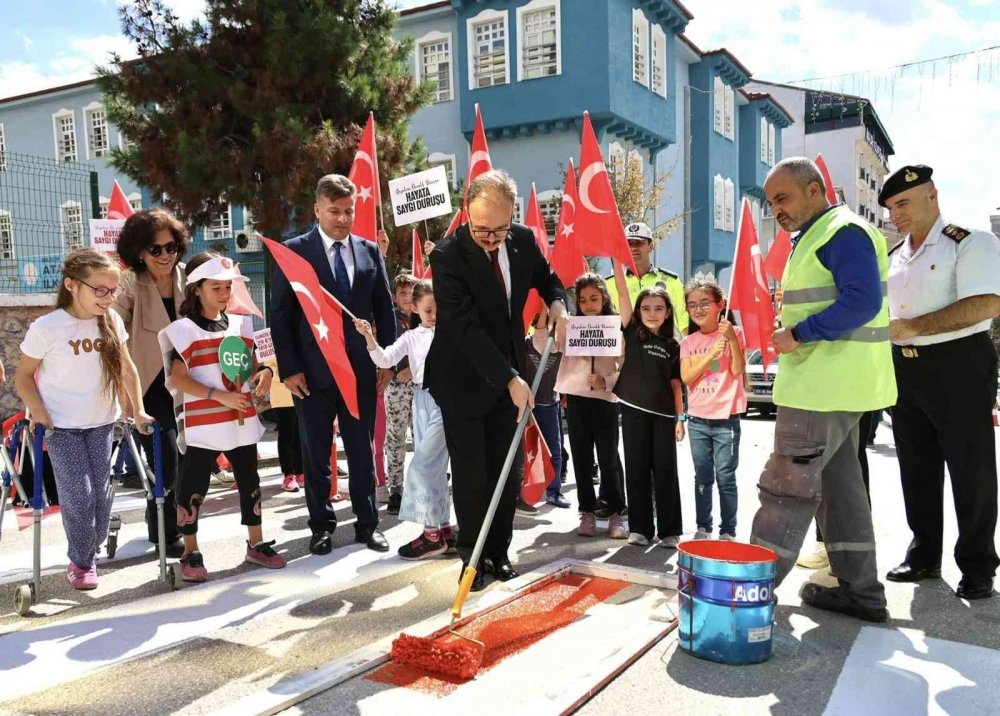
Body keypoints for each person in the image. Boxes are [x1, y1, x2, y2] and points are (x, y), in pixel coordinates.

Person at [749, 157, 895, 623]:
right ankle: (862, 593)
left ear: (814, 190)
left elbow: (861, 300)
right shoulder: (825, 233)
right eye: (772, 203)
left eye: (783, 198)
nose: (777, 211)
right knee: (841, 490)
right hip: (841, 385)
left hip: (819, 387)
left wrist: (798, 334)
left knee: (786, 486)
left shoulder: (839, 231)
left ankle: (750, 590)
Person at [424, 168, 567, 592]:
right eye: (481, 229)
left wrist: (557, 302)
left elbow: (548, 278)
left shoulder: (521, 240)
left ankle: (500, 553)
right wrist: (508, 378)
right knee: (473, 475)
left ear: (513, 217)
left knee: (507, 472)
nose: (491, 238)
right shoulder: (448, 256)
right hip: (463, 377)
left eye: (499, 229)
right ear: (467, 214)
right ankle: (473, 558)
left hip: (510, 374)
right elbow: (464, 328)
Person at [880, 164, 1000, 600]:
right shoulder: (897, 255)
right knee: (916, 466)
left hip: (958, 365)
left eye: (904, 203)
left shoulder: (969, 242)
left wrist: (911, 328)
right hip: (906, 369)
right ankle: (924, 554)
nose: (896, 214)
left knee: (971, 469)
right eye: (891, 207)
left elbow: (986, 304)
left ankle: (978, 564)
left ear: (933, 195)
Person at [270, 174, 396, 555]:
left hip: (360, 371)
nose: (342, 219)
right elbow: (281, 316)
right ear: (317, 210)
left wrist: (387, 360)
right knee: (316, 453)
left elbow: (385, 310)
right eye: (334, 211)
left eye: (349, 211)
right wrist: (289, 368)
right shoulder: (293, 253)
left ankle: (368, 524)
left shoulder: (369, 251)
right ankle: (321, 525)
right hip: (312, 373)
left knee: (361, 451)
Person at [15, 248, 153, 590]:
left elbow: (126, 368)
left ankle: (90, 544)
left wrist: (137, 409)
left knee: (102, 495)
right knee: (80, 494)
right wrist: (40, 411)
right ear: (72, 285)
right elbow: (22, 376)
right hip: (60, 426)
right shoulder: (47, 327)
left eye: (113, 290)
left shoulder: (111, 321)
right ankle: (81, 561)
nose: (108, 297)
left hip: (102, 420)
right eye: (100, 290)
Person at [160, 253, 285, 582]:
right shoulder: (183, 330)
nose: (224, 293)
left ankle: (256, 544)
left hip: (240, 418)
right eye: (216, 287)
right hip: (203, 422)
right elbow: (177, 379)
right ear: (196, 289)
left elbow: (253, 365)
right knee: (193, 486)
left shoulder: (240, 323)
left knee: (250, 480)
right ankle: (190, 551)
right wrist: (218, 396)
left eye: (228, 286)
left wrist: (267, 373)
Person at [356, 279, 457, 560]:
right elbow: (385, 360)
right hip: (421, 400)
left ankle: (431, 535)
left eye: (437, 309)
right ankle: (443, 531)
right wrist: (368, 336)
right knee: (433, 469)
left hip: (447, 402)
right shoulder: (411, 337)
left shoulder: (453, 331)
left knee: (423, 467)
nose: (434, 315)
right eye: (428, 310)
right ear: (415, 308)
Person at [114, 208, 190, 558]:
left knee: (185, 457)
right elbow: (113, 334)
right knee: (167, 458)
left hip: (185, 380)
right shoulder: (129, 283)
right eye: (155, 249)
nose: (164, 256)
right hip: (147, 385)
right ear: (139, 251)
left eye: (170, 247)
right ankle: (164, 530)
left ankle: (163, 520)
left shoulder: (185, 279)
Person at [611, 259, 685, 548]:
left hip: (665, 416)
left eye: (658, 308)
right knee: (637, 468)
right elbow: (621, 291)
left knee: (666, 471)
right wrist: (618, 262)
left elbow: (677, 385)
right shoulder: (631, 331)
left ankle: (669, 531)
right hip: (633, 412)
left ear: (668, 313)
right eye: (646, 308)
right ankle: (640, 528)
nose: (651, 313)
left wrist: (681, 420)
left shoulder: (674, 346)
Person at [555, 273, 627, 539]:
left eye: (594, 298)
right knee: (582, 458)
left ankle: (616, 511)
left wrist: (606, 381)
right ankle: (586, 511)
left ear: (604, 297)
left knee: (608, 459)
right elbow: (553, 350)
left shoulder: (615, 328)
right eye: (582, 300)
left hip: (606, 401)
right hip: (576, 400)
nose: (588, 304)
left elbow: (626, 368)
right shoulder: (571, 326)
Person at [680, 279, 746, 541]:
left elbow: (738, 370)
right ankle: (703, 527)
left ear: (720, 305)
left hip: (726, 420)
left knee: (726, 477)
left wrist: (729, 338)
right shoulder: (687, 341)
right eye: (692, 305)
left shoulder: (734, 334)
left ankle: (728, 530)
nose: (698, 309)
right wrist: (709, 356)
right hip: (697, 420)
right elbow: (687, 377)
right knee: (702, 477)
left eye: (705, 303)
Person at [379, 273, 418, 515]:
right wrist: (396, 370)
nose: (407, 298)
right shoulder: (389, 320)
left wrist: (412, 370)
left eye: (411, 292)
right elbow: (383, 349)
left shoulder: (426, 317)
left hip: (422, 385)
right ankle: (396, 489)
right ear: (394, 297)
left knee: (424, 437)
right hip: (395, 387)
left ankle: (421, 484)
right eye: (402, 293)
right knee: (396, 438)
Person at [606, 222, 688, 335]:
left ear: (651, 246)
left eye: (639, 243)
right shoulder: (610, 283)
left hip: (662, 347)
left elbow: (683, 320)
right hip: (627, 347)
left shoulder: (671, 281)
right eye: (629, 244)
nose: (633, 248)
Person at [521, 307, 566, 508]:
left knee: (554, 451)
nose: (547, 324)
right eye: (541, 319)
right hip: (528, 407)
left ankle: (553, 491)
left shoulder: (561, 347)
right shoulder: (525, 345)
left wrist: (565, 393)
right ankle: (523, 493)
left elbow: (568, 372)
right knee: (524, 451)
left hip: (550, 405)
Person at [266, 354, 303, 492]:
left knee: (300, 436)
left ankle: (300, 472)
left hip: (301, 394)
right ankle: (288, 475)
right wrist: (288, 375)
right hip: (282, 398)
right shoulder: (270, 337)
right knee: (287, 437)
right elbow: (267, 368)